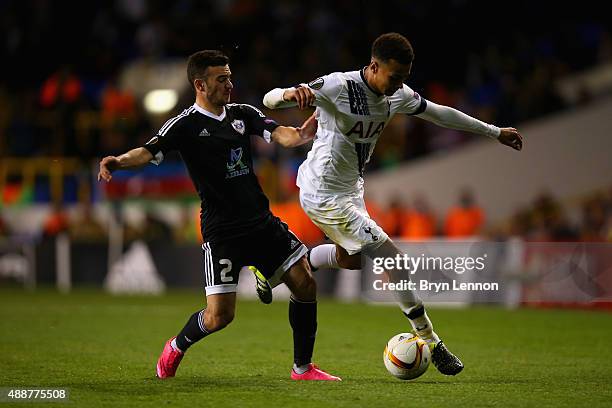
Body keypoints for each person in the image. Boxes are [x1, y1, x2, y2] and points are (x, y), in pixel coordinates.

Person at [262, 32, 524, 376]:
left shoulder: (396, 94)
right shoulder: (339, 86)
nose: (399, 84)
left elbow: (440, 114)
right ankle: (430, 339)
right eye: (394, 76)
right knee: (390, 255)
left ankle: (282, 265)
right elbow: (269, 101)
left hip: (350, 191)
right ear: (373, 66)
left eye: (404, 78)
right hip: (321, 191)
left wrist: (494, 131)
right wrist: (291, 92)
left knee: (349, 259)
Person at [98, 50, 340, 381]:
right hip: (222, 232)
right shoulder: (184, 124)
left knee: (305, 283)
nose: (230, 83)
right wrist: (118, 161)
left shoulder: (243, 113)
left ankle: (302, 368)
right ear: (200, 84)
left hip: (261, 223)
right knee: (219, 317)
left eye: (229, 76)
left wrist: (299, 135)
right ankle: (177, 345)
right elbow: (148, 151)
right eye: (221, 78)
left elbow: (278, 133)